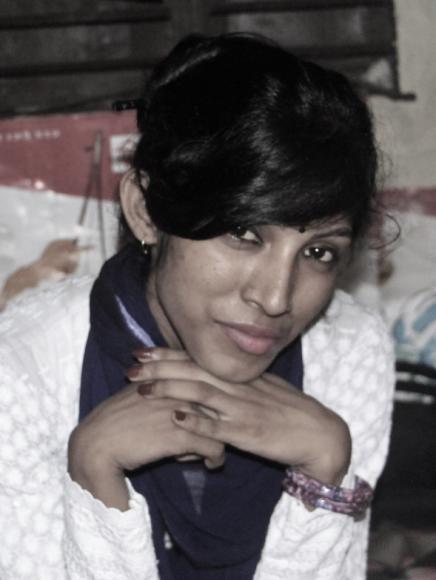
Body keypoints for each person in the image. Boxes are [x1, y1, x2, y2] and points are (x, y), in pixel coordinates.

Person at [0, 34, 395, 579]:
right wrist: (94, 473)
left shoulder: (348, 350)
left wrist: (324, 470)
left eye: (318, 252)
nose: (276, 298)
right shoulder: (22, 370)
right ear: (145, 211)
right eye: (243, 233)